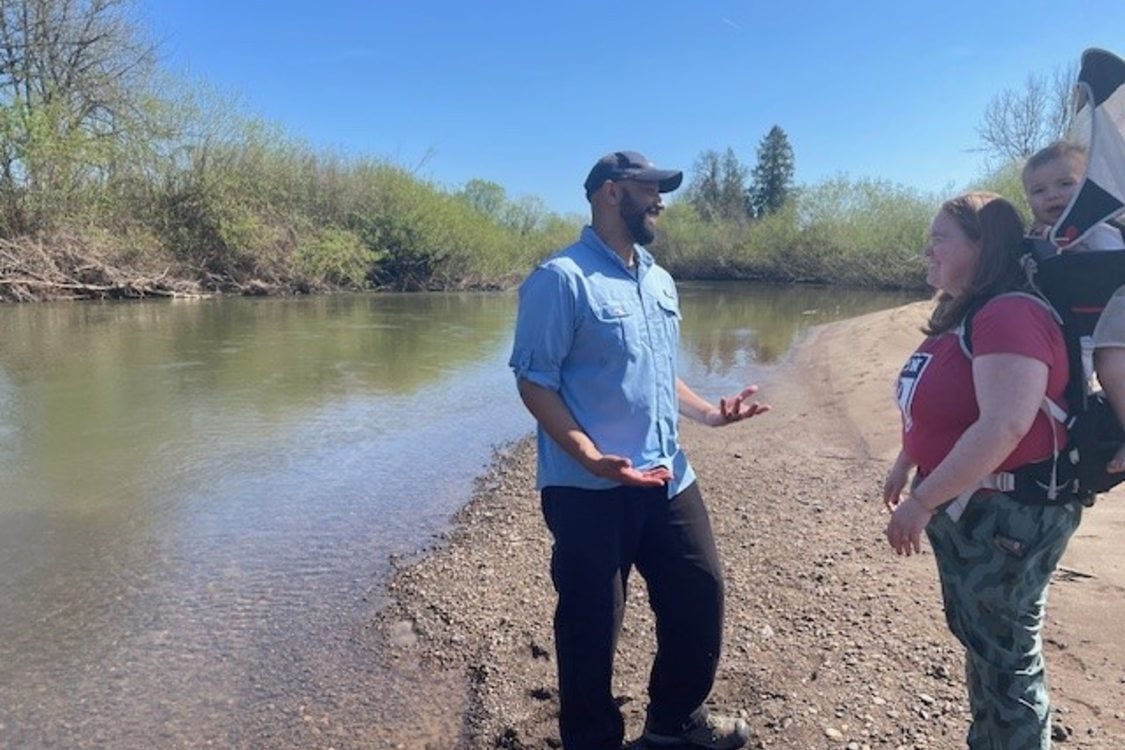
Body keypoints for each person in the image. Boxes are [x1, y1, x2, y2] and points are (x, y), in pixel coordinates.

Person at [509, 150, 769, 750]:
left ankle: (674, 722)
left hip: (668, 476)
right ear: (609, 193)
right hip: (588, 487)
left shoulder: (657, 277)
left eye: (661, 190)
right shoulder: (560, 279)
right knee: (592, 626)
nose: (660, 200)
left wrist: (707, 413)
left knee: (700, 593)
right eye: (648, 188)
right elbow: (533, 380)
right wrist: (588, 455)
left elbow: (656, 369)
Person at [883, 191, 1080, 749]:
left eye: (940, 238)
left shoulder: (1009, 313)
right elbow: (948, 405)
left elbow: (1003, 426)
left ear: (981, 245)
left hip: (1008, 516)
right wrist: (909, 460)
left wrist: (923, 503)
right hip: (977, 509)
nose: (927, 250)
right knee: (988, 645)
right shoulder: (971, 310)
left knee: (1006, 658)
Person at [1022, 140, 1125, 473]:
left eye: (1066, 184)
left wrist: (1065, 238)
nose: (1052, 195)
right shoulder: (1039, 237)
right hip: (1071, 324)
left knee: (1112, 366)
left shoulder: (1102, 229)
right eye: (1039, 190)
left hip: (1113, 321)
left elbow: (1109, 261)